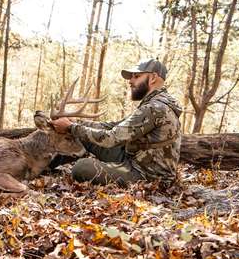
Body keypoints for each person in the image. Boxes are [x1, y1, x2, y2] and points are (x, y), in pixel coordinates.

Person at [50, 58, 182, 185]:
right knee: (84, 136)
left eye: (136, 76)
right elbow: (114, 126)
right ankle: (48, 163)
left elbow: (111, 138)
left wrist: (71, 127)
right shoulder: (154, 104)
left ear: (153, 78)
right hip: (135, 158)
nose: (130, 81)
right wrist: (76, 122)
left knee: (81, 167)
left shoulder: (154, 108)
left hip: (148, 176)